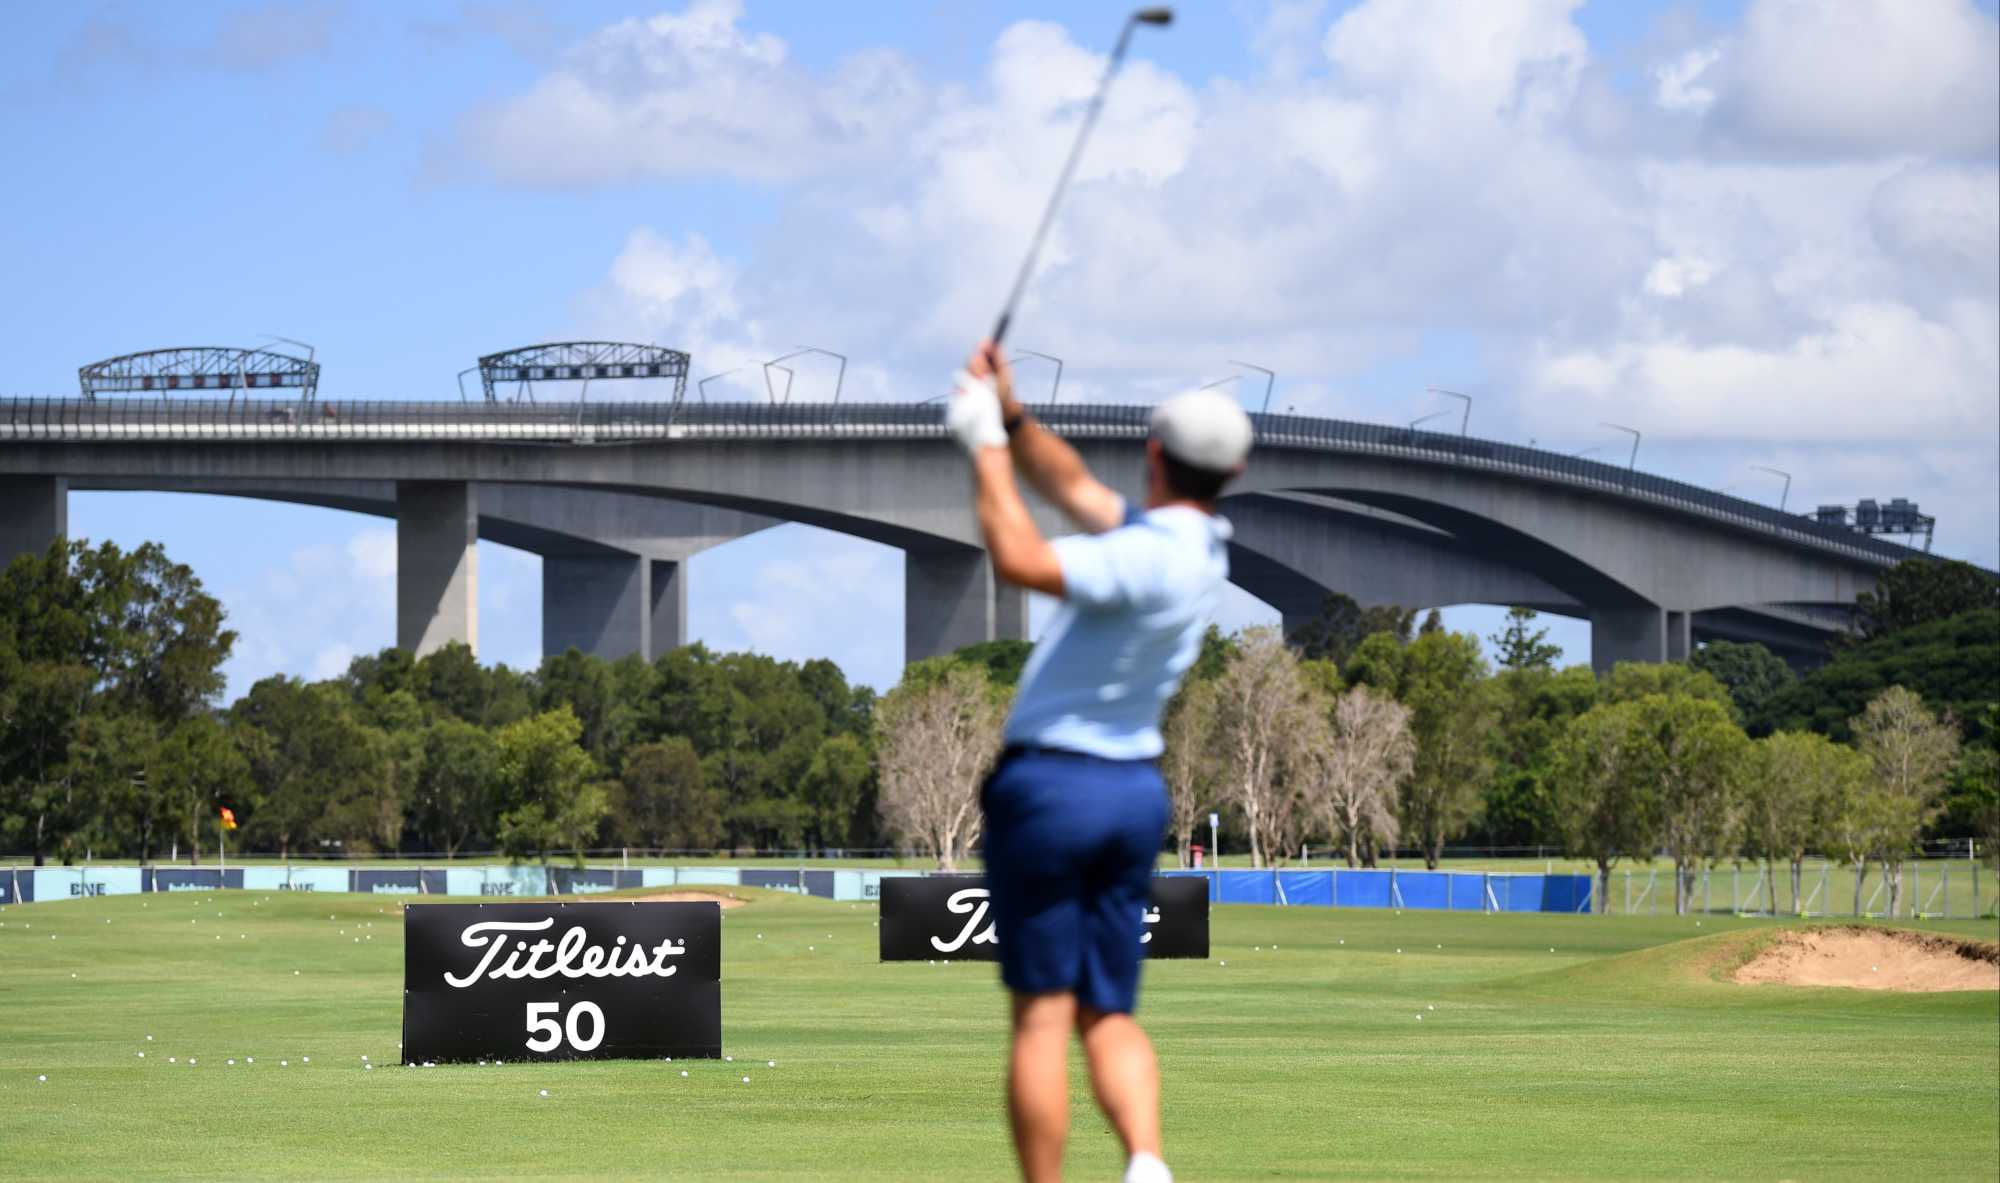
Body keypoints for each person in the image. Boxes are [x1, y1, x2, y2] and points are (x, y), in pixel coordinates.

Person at [945, 340, 1252, 1183]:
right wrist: (1011, 415)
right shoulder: (1195, 546)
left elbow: (1019, 555)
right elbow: (1073, 486)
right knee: (1107, 1010)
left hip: (1052, 785)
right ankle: (1146, 1163)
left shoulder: (1144, 555)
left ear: (1154, 454)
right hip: (1130, 792)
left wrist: (984, 447)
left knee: (1042, 1014)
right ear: (1235, 469)